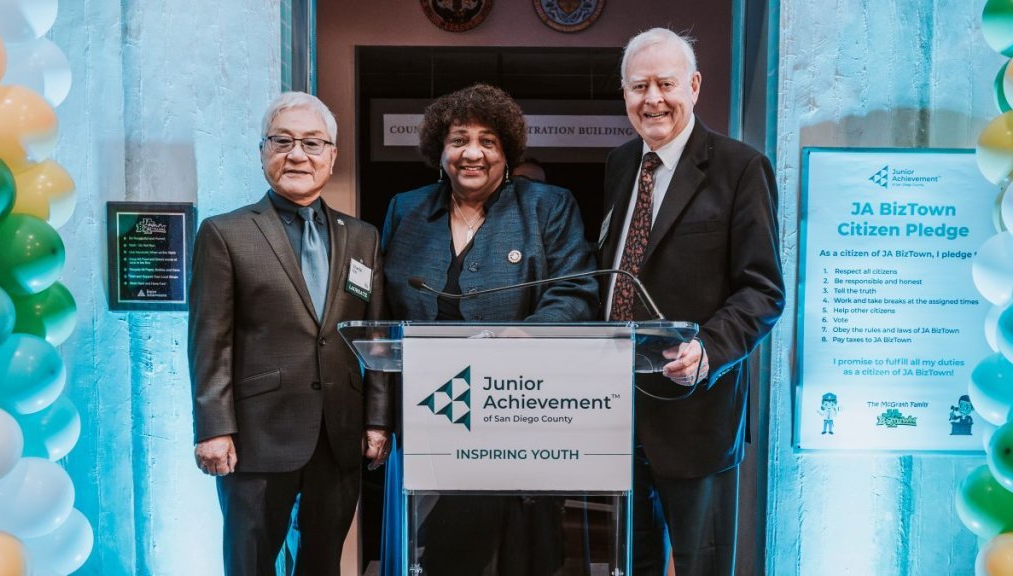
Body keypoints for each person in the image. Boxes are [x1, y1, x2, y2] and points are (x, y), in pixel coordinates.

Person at [381, 83, 599, 575]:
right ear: (440, 151)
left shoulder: (547, 206)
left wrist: (530, 334)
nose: (472, 153)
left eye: (488, 141)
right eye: (458, 140)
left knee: (517, 553)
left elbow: (576, 291)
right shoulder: (405, 209)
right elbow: (383, 304)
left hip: (518, 407)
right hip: (430, 409)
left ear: (507, 153)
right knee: (440, 552)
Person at [597, 29, 785, 576]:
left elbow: (763, 289)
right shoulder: (619, 164)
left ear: (695, 86)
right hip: (614, 408)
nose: (652, 99)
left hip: (696, 410)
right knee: (629, 562)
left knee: (701, 564)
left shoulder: (740, 167)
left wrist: (710, 349)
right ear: (624, 93)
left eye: (666, 84)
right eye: (639, 87)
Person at [188, 91, 392, 576]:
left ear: (332, 157)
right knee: (250, 564)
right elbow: (209, 340)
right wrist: (213, 428)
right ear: (263, 152)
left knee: (323, 565)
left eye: (312, 143)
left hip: (338, 435)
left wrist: (378, 419)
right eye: (282, 141)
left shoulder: (363, 237)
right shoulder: (225, 233)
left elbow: (376, 336)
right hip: (256, 438)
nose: (297, 154)